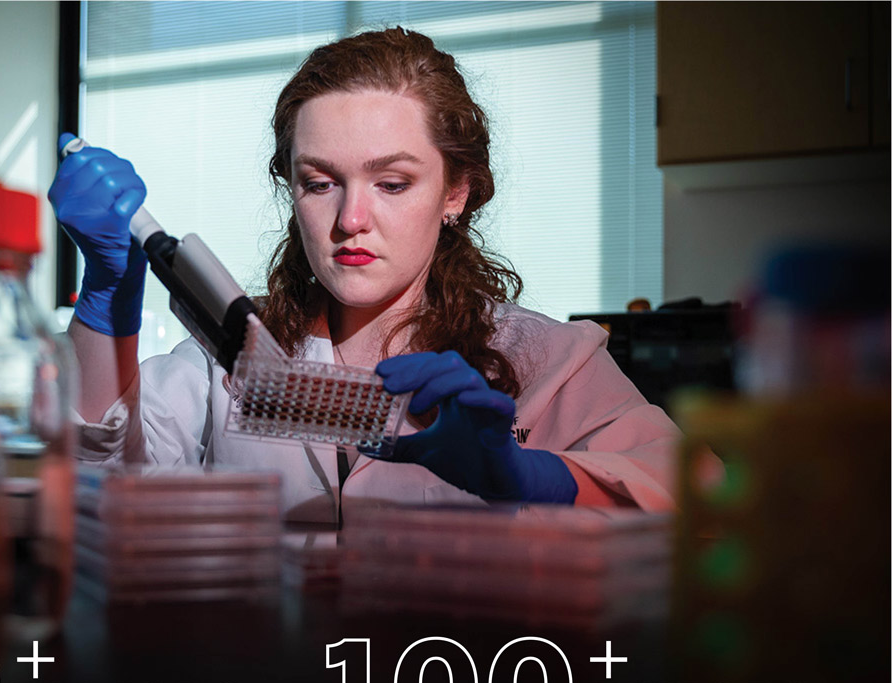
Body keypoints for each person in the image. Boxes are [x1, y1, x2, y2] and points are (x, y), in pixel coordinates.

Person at [49, 27, 680, 526]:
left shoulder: (551, 360)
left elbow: (697, 494)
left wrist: (533, 475)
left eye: (393, 184)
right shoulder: (228, 358)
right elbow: (88, 485)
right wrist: (107, 295)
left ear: (456, 191)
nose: (351, 218)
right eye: (319, 183)